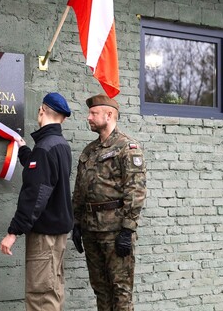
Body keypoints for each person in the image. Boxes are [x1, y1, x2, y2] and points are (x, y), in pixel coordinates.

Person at [71, 94, 147, 311]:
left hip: (115, 231)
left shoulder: (127, 147)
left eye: (94, 113)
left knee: (120, 290)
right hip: (90, 229)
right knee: (101, 289)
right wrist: (76, 223)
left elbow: (136, 190)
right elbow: (79, 189)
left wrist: (127, 229)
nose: (88, 117)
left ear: (109, 115)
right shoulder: (89, 150)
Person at [0, 92, 73, 311]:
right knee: (52, 293)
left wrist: (13, 232)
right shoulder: (59, 144)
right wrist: (24, 150)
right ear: (64, 118)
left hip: (45, 237)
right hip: (57, 236)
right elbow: (42, 175)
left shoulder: (44, 148)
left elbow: (36, 193)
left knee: (41, 298)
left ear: (41, 110)